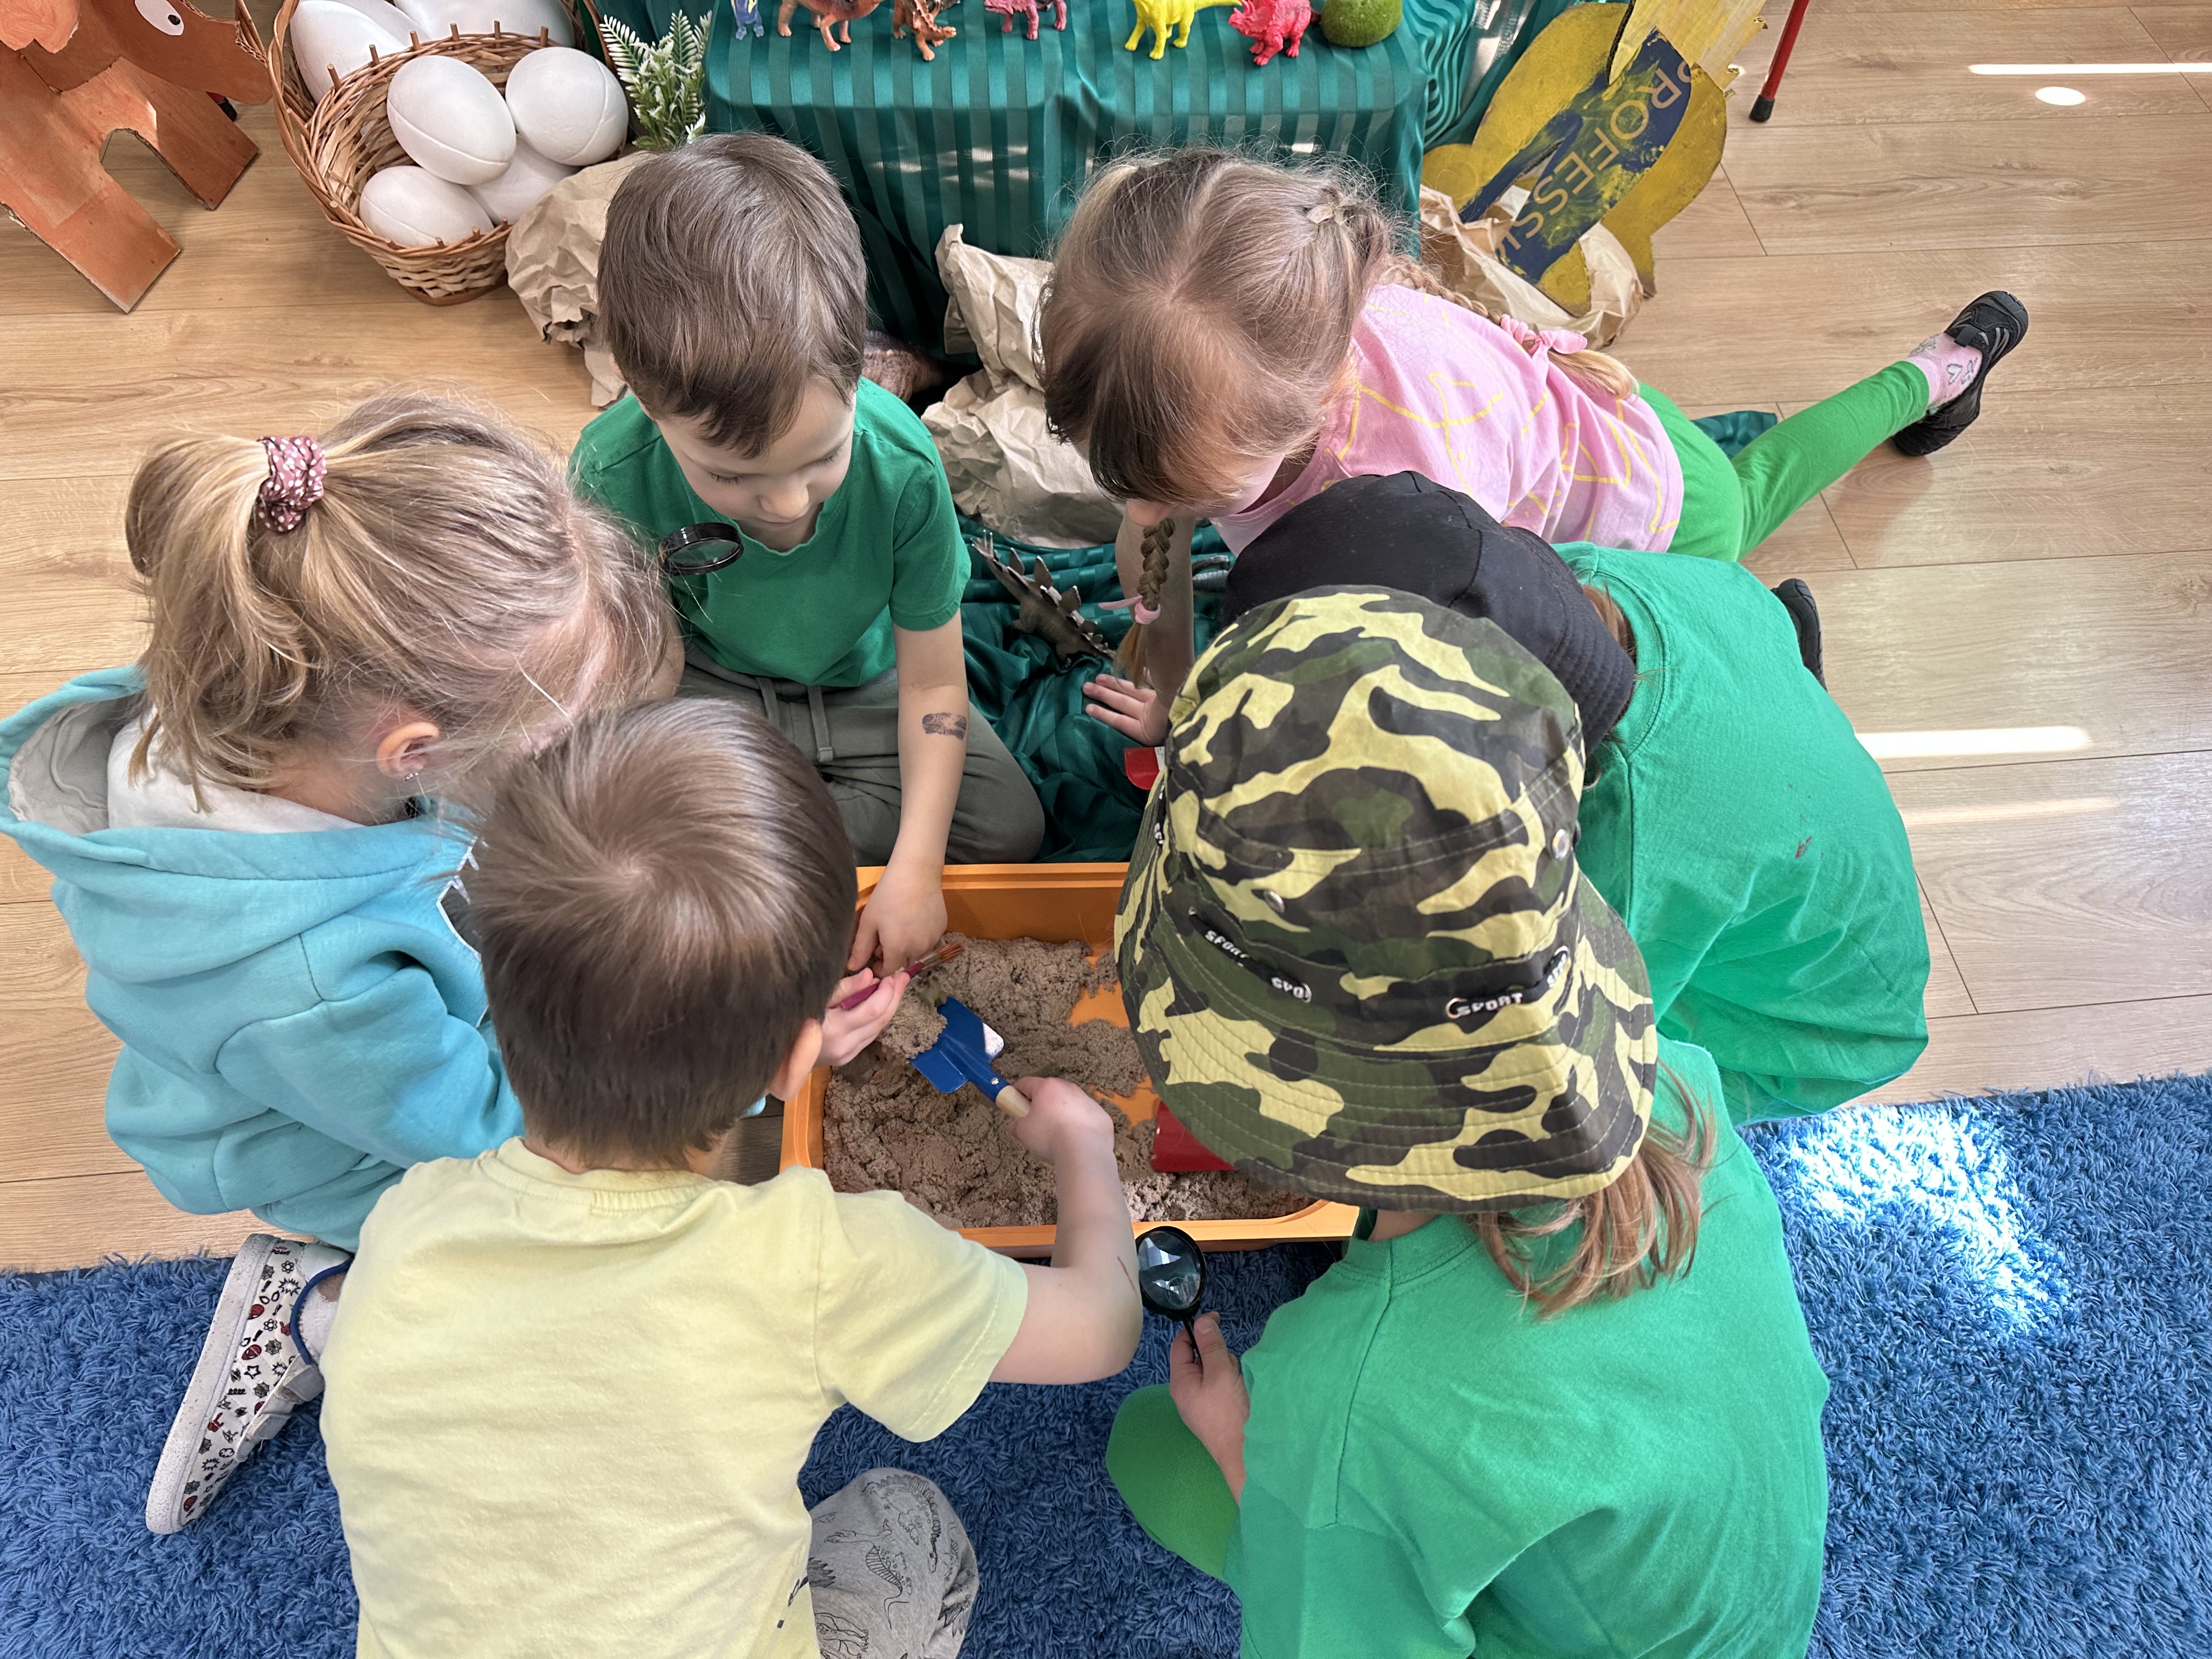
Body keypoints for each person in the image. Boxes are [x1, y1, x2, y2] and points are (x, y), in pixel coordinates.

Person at [318, 698, 1143, 1659]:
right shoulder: (818, 1263)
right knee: (906, 1518)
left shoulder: (406, 1222)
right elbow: (1103, 1326)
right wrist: (1083, 1147)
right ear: (799, 1062)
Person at [0, 393, 693, 1530]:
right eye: (557, 742)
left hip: (349, 1058)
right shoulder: (312, 981)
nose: (580, 764)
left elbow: (444, 869)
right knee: (539, 1267)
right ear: (415, 752)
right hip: (347, 1144)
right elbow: (479, 1134)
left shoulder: (279, 685)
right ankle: (319, 1308)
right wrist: (668, 1048)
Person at [1104, 587, 1831, 1657]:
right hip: (1729, 1605)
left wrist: (1244, 1454)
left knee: (1151, 1453)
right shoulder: (1683, 1085)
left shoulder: (1349, 1400)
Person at [1043, 147, 2025, 743]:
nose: (1141, 511)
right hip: (1610, 420)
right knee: (1753, 473)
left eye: (1189, 490)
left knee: (1759, 494)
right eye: (1122, 475)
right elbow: (1154, 545)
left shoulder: (1398, 501)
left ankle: (1771, 629)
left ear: (1307, 414)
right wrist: (1172, 672)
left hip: (1660, 530)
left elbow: (1503, 663)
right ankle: (1942, 370)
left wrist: (1201, 713)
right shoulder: (1288, 324)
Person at [1218, 471, 1929, 1124]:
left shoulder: (1626, 857)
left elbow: (1550, 1044)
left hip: (1811, 1037)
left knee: (1496, 1089)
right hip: (1751, 731)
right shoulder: (1575, 579)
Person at [573, 132, 1045, 974]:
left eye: (823, 457)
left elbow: (935, 687)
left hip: (870, 683)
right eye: (732, 475)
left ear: (862, 369)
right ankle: (796, 821)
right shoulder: (609, 474)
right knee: (632, 843)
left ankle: (783, 830)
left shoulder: (902, 467)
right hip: (712, 682)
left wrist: (915, 871)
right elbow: (636, 673)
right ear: (644, 400)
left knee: (1010, 828)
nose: (790, 505)